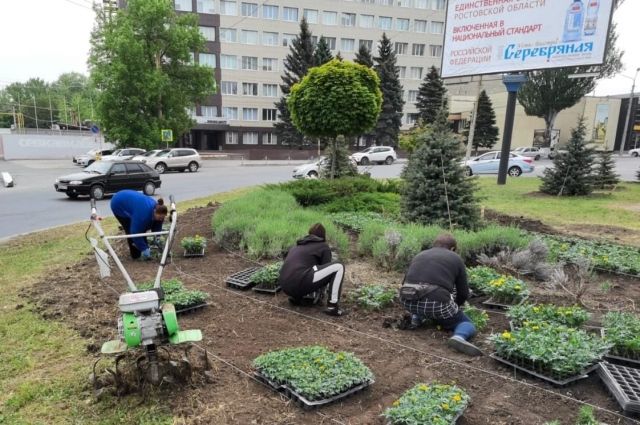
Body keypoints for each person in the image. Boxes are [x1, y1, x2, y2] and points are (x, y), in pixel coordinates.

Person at [399, 233, 482, 356]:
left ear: (434, 245)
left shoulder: (420, 254)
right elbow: (463, 293)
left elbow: (404, 282)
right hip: (436, 303)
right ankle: (459, 337)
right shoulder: (456, 258)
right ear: (453, 248)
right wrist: (455, 307)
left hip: (407, 300)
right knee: (466, 323)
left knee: (425, 303)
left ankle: (416, 319)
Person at [278, 223, 345, 316]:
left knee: (301, 270)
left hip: (284, 286)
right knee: (339, 266)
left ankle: (296, 298)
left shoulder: (296, 246)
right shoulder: (323, 246)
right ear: (323, 236)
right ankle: (332, 307)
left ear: (309, 234)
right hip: (299, 282)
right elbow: (325, 271)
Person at [110, 190, 168, 260]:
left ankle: (144, 249)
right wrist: (144, 248)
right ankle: (136, 256)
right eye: (159, 217)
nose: (160, 219)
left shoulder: (159, 209)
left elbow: (157, 224)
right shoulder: (143, 216)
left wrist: (157, 237)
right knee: (130, 229)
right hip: (118, 203)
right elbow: (135, 233)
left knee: (142, 227)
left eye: (162, 218)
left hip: (133, 201)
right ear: (154, 211)